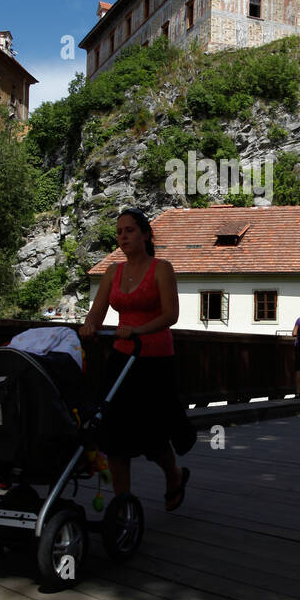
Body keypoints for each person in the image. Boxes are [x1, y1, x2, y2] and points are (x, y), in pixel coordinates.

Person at [79, 208, 195, 511]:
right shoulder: (112, 272)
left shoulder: (161, 268)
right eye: (119, 232)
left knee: (152, 434)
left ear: (145, 234)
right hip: (122, 357)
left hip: (156, 359)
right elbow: (98, 311)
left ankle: (174, 475)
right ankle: (123, 506)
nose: (123, 237)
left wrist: (138, 330)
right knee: (113, 433)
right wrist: (90, 325)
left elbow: (171, 314)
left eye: (129, 230)